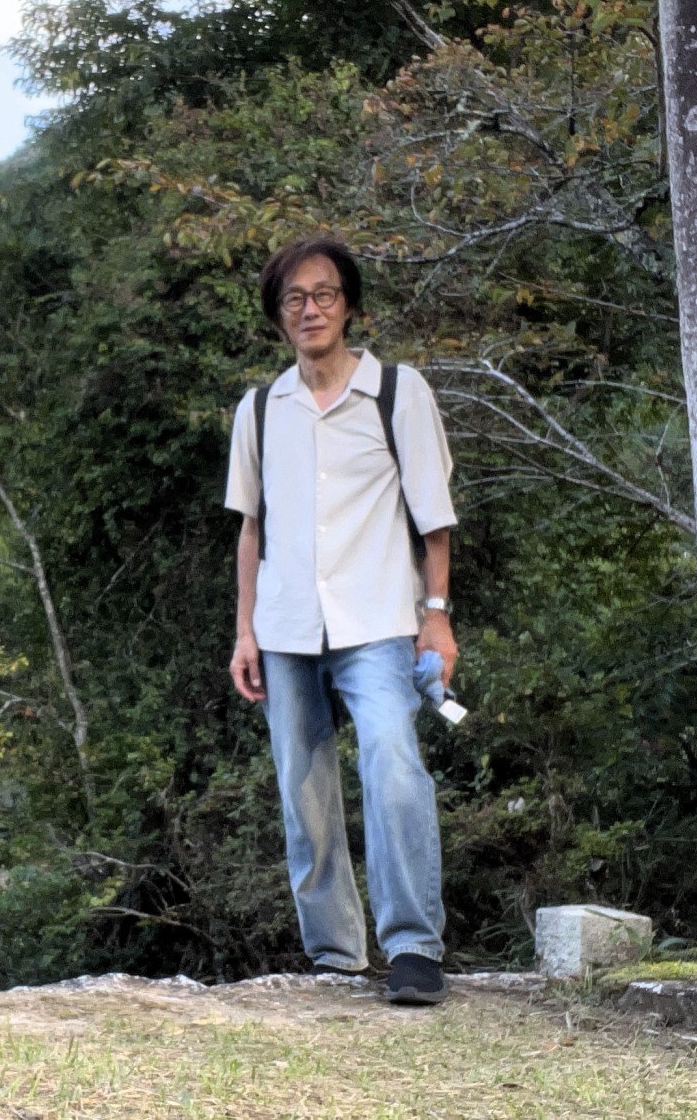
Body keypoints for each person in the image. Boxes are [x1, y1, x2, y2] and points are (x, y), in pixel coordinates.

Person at [224, 237, 459, 1006]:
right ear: (278, 316)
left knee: (393, 764)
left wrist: (437, 618)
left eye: (324, 294)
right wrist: (245, 632)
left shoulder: (398, 393)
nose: (310, 309)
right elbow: (251, 529)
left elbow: (433, 519)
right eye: (294, 299)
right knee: (304, 793)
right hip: (286, 629)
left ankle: (414, 947)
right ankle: (335, 954)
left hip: (380, 619)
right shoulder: (261, 410)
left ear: (348, 304)